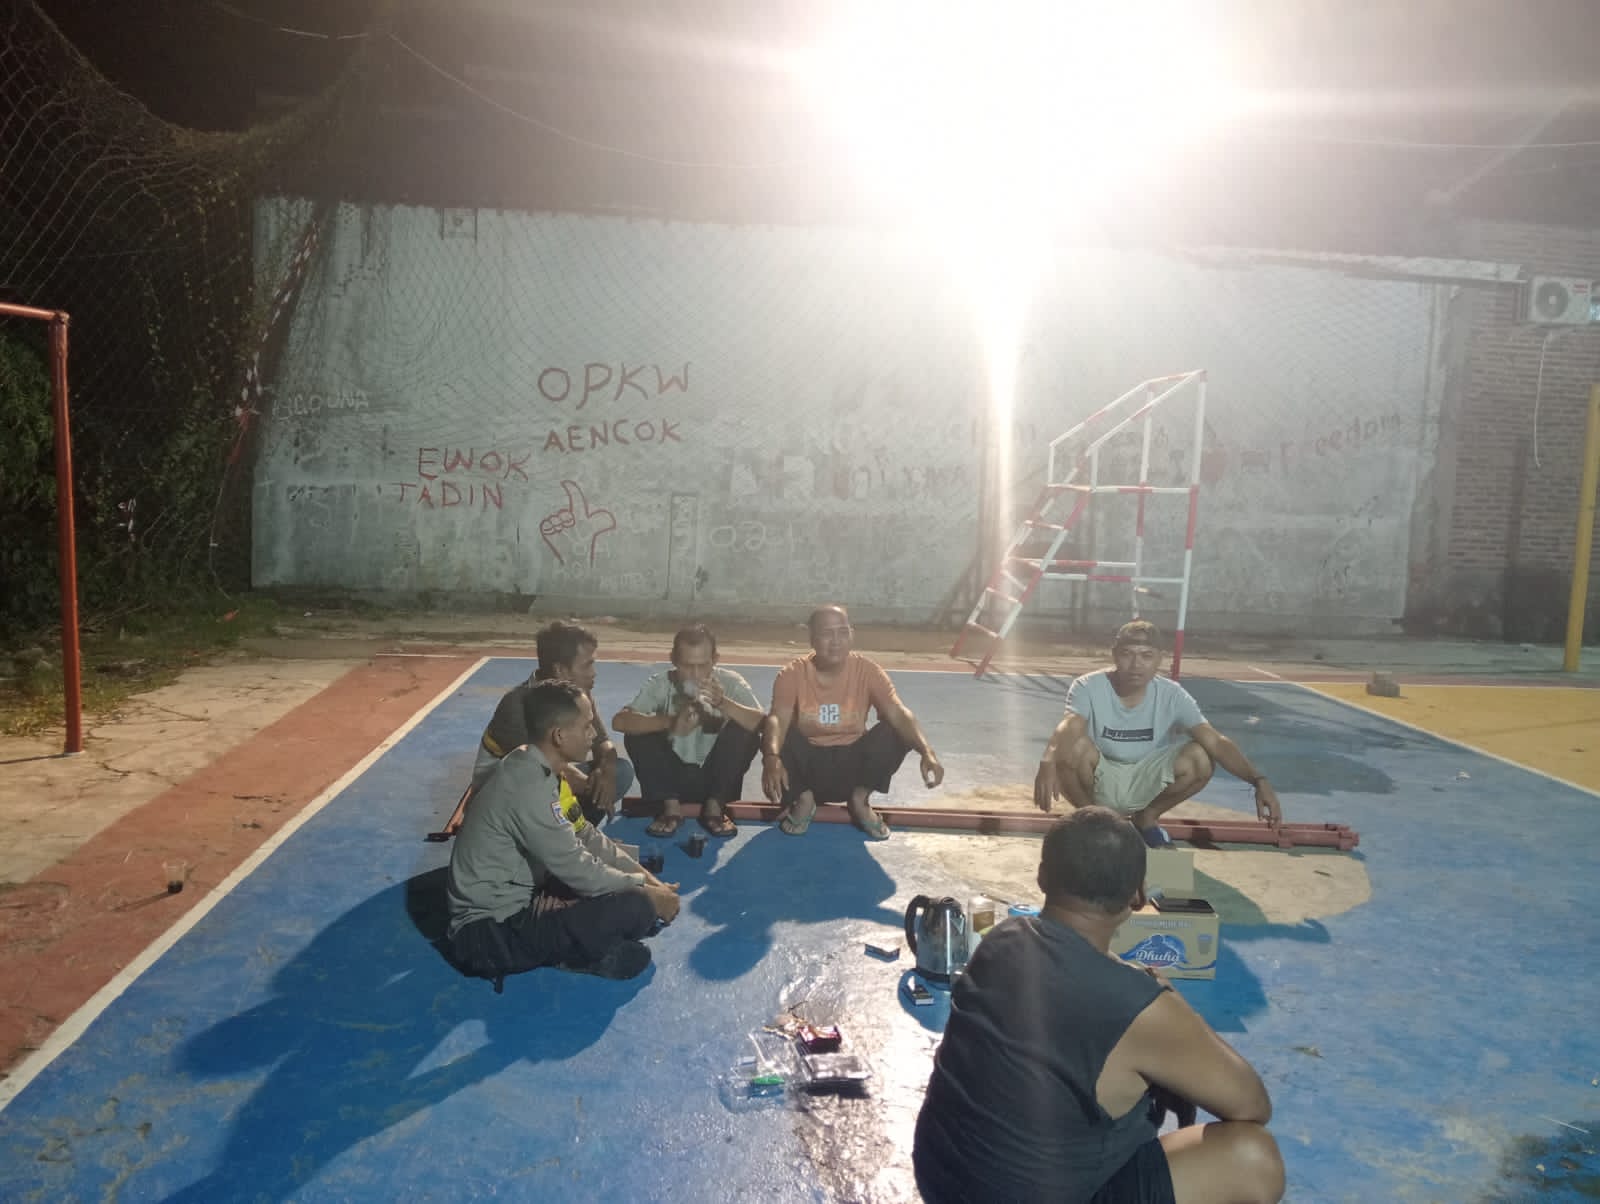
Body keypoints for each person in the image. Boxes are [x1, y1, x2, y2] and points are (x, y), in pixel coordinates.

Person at [913, 807, 1285, 1204]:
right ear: (1138, 896)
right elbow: (1252, 1105)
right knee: (1254, 1157)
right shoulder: (1138, 1006)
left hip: (940, 1179)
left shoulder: (1002, 938)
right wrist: (1168, 1000)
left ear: (1042, 877)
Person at [445, 681, 681, 982]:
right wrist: (647, 894)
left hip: (519, 899)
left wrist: (651, 882)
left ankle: (575, 937)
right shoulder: (528, 786)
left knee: (630, 894)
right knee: (637, 907)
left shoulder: (539, 766)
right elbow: (579, 869)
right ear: (559, 735)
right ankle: (573, 953)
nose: (593, 734)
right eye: (586, 726)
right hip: (487, 935)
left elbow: (587, 836)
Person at [1033, 620, 1282, 847]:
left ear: (1159, 659)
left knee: (1201, 756)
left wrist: (1258, 780)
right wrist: (1048, 760)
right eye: (1127, 654)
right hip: (1099, 774)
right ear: (1114, 655)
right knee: (1072, 746)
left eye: (1146, 656)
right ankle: (1095, 822)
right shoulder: (1088, 685)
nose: (1136, 664)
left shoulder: (1172, 694)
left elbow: (1215, 741)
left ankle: (1147, 818)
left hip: (1143, 775)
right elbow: (1072, 724)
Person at [761, 604, 943, 840]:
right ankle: (804, 800)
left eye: (843, 632)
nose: (836, 641)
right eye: (827, 634)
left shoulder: (868, 671)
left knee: (896, 728)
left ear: (852, 634)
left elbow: (898, 713)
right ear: (812, 638)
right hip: (809, 770)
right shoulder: (792, 674)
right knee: (772, 727)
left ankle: (860, 800)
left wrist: (927, 751)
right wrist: (771, 757)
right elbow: (778, 718)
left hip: (854, 769)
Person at [441, 620, 634, 835]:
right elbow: (540, 769)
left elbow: (602, 743)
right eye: (587, 665)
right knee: (558, 789)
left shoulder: (577, 695)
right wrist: (596, 788)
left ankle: (569, 836)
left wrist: (606, 770)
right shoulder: (517, 705)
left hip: (546, 781)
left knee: (620, 772)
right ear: (560, 670)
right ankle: (553, 840)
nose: (593, 673)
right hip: (506, 793)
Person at [612, 624, 765, 839]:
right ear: (673, 660)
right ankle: (670, 808)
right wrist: (670, 723)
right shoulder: (661, 684)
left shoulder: (731, 682)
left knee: (745, 729)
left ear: (715, 659)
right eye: (687, 666)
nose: (695, 674)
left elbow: (764, 724)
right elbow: (620, 722)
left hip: (715, 780)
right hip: (670, 780)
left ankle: (715, 806)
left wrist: (723, 703)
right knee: (638, 728)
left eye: (703, 665)